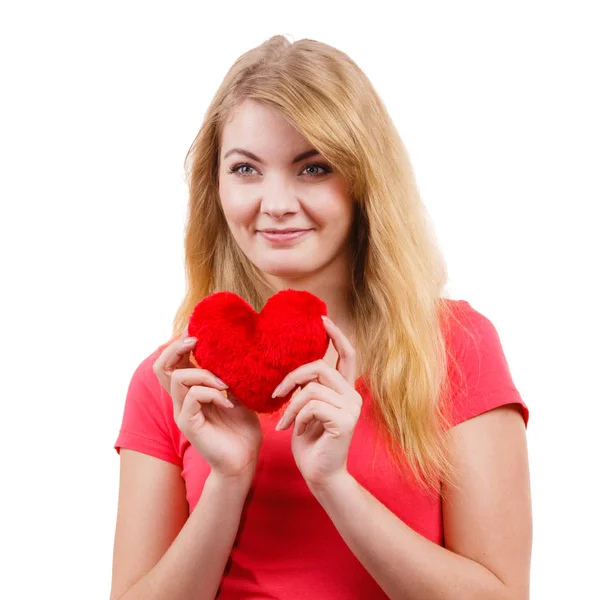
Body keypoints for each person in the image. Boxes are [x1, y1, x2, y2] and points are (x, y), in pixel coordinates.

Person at [110, 35, 532, 600]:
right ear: (216, 187)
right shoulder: (171, 381)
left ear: (363, 182)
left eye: (313, 168)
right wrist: (228, 482)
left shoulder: (456, 348)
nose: (277, 202)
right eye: (246, 169)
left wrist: (333, 483)